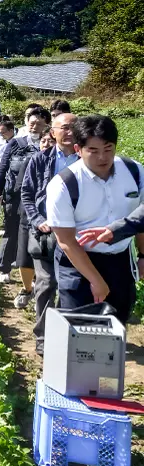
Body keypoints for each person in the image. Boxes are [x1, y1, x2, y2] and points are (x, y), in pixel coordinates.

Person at [46, 114, 144, 324]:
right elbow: (66, 241)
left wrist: (143, 255)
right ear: (78, 150)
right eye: (93, 150)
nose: (102, 158)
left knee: (117, 323)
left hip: (120, 259)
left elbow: (140, 218)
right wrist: (96, 280)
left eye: (108, 149)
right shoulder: (63, 184)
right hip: (78, 262)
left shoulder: (134, 171)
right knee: (79, 328)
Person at [20, 112, 79, 355]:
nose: (69, 132)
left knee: (71, 284)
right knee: (46, 283)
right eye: (63, 128)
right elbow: (27, 194)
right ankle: (43, 336)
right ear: (52, 132)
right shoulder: (40, 160)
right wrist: (38, 220)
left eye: (74, 127)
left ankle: (66, 334)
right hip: (45, 234)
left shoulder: (85, 162)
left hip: (75, 236)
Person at [0, 107, 50, 301]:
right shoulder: (16, 143)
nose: (34, 126)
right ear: (26, 123)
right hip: (14, 196)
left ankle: (32, 276)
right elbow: (3, 168)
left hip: (37, 201)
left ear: (46, 126)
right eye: (32, 122)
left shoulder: (48, 145)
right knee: (11, 230)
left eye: (39, 123)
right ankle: (4, 267)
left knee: (35, 237)